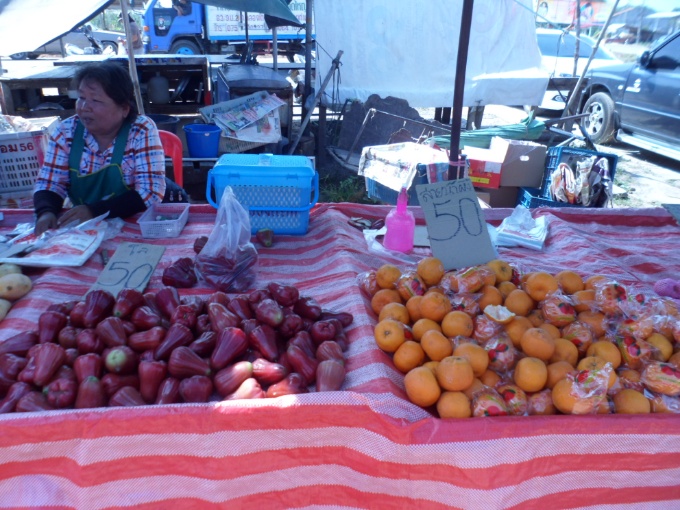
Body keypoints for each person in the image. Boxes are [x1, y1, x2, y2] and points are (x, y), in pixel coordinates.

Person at [33, 61, 187, 235]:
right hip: (92, 227)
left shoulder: (141, 130)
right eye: (81, 97)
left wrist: (94, 211)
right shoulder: (66, 132)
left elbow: (150, 192)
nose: (84, 107)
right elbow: (50, 182)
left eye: (95, 100)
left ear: (124, 109)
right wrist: (46, 212)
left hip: (143, 219)